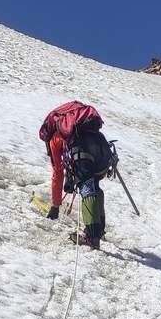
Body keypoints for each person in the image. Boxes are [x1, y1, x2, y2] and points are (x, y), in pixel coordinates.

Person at [38, 100, 113, 250]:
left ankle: (92, 237)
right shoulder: (79, 124)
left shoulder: (54, 137)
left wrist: (55, 205)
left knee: (86, 188)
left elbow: (58, 172)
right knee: (94, 187)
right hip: (101, 147)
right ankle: (99, 230)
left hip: (82, 152)